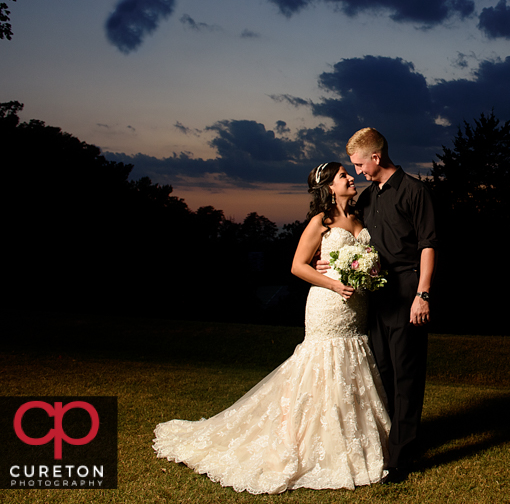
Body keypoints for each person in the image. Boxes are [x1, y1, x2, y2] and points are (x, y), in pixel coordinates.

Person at [153, 162, 390, 493]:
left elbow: (362, 256)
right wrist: (333, 284)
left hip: (357, 307)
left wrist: (367, 272)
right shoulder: (320, 222)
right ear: (329, 186)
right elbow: (297, 266)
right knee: (321, 365)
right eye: (343, 176)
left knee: (350, 367)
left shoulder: (359, 218)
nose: (351, 178)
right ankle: (309, 443)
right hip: (328, 305)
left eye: (349, 174)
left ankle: (355, 444)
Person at [345, 127, 438, 483]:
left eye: (359, 164)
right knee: (382, 371)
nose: (357, 172)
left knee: (406, 374)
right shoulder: (369, 198)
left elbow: (429, 244)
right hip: (377, 295)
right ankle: (388, 443)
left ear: (376, 157)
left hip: (407, 290)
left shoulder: (415, 191)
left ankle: (401, 456)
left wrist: (423, 294)